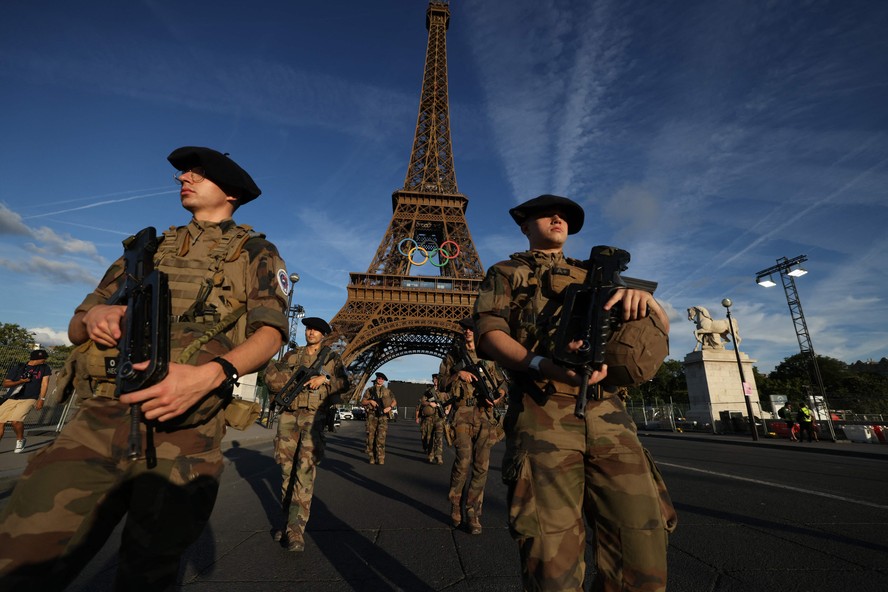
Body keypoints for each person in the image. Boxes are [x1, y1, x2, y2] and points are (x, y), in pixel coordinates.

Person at [0, 146, 289, 590]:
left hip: (186, 428)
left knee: (148, 572)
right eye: (182, 173)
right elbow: (77, 326)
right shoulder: (145, 248)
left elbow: (270, 333)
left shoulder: (256, 252)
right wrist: (94, 318)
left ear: (231, 192)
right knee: (20, 558)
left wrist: (210, 376)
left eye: (197, 172)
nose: (182, 178)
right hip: (99, 415)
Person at [473, 194, 677, 591]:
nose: (557, 218)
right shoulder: (507, 271)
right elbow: (488, 332)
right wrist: (540, 364)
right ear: (524, 226)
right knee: (553, 565)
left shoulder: (598, 276)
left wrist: (648, 302)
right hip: (542, 411)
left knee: (642, 552)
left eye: (564, 216)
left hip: (610, 415)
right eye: (546, 214)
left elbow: (659, 330)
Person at [263, 317, 350, 552]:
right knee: (286, 472)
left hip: (314, 419)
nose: (311, 332)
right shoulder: (291, 356)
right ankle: (288, 521)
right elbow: (269, 379)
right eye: (308, 328)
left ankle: (295, 530)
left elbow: (345, 384)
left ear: (323, 335)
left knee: (304, 472)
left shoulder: (332, 358)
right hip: (289, 417)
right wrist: (292, 381)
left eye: (316, 330)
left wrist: (326, 378)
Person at [439, 317, 507, 535]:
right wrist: (458, 374)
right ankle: (455, 503)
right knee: (463, 461)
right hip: (462, 414)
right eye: (465, 328)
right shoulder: (453, 355)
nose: (467, 331)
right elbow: (440, 383)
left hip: (485, 415)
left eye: (472, 328)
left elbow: (502, 382)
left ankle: (473, 513)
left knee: (481, 467)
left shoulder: (490, 355)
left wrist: (499, 396)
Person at [1, 349, 52, 453]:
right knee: (0, 422)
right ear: (36, 359)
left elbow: (44, 384)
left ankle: (20, 439)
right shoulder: (19, 367)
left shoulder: (45, 368)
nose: (44, 360)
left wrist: (41, 399)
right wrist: (21, 381)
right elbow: (6, 384)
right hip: (12, 397)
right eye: (43, 358)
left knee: (16, 421)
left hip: (29, 397)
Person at [361, 372, 397, 464]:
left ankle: (381, 457)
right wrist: (370, 401)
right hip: (372, 415)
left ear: (384, 380)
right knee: (370, 437)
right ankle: (372, 457)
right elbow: (363, 401)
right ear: (376, 379)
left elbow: (394, 401)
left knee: (381, 437)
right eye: (379, 378)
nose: (380, 380)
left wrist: (390, 407)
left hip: (383, 416)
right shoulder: (370, 390)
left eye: (382, 379)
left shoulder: (388, 391)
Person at [415, 373, 445, 464]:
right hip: (429, 418)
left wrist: (447, 410)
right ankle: (430, 455)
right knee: (429, 437)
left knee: (439, 437)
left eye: (437, 379)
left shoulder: (443, 390)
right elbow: (422, 402)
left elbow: (449, 400)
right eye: (434, 379)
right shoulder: (428, 391)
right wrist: (429, 404)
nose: (435, 381)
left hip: (439, 417)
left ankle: (438, 456)